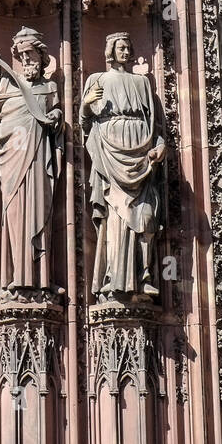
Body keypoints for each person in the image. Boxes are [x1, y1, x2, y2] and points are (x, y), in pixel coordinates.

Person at [80, 33, 165, 298]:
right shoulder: (97, 80)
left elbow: (155, 124)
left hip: (141, 155)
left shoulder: (141, 82)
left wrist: (160, 145)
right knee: (115, 219)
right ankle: (113, 276)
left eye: (129, 47)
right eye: (120, 47)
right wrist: (85, 105)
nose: (125, 51)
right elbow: (85, 125)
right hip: (109, 153)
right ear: (110, 50)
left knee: (146, 216)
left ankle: (144, 274)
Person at [0, 28, 62, 296]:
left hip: (39, 159)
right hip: (13, 159)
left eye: (31, 54)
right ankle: (15, 276)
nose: (26, 60)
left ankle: (40, 279)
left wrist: (57, 115)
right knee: (15, 215)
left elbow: (53, 115)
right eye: (21, 55)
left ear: (41, 56)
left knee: (41, 212)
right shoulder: (8, 83)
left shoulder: (50, 88)